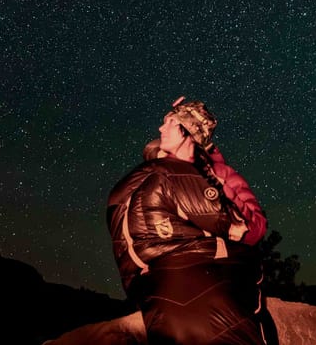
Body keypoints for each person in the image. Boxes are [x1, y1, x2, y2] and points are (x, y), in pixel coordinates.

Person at [106, 97, 271, 344]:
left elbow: (252, 230)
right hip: (170, 280)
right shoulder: (159, 173)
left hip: (187, 281)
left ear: (187, 132)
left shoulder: (217, 175)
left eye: (168, 122)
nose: (160, 128)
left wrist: (211, 168)